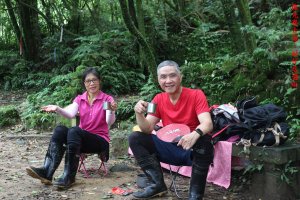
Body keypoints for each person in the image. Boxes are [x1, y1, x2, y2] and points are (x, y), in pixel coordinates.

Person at [129, 60, 214, 200]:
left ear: (180, 77)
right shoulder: (158, 99)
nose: (168, 81)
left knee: (205, 140)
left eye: (172, 76)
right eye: (163, 77)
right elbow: (147, 128)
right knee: (136, 137)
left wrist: (194, 134)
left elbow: (207, 123)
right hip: (169, 147)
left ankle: (195, 194)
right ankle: (157, 185)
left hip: (191, 149)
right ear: (158, 80)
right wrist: (139, 114)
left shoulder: (196, 95)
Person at [26, 67, 117, 189]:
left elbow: (108, 122)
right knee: (60, 130)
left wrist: (111, 111)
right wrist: (57, 108)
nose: (92, 83)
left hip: (100, 141)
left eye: (94, 80)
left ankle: (69, 176)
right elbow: (70, 113)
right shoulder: (80, 99)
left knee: (74, 131)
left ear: (99, 81)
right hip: (79, 139)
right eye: (88, 81)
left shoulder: (107, 99)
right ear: (84, 83)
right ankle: (47, 172)